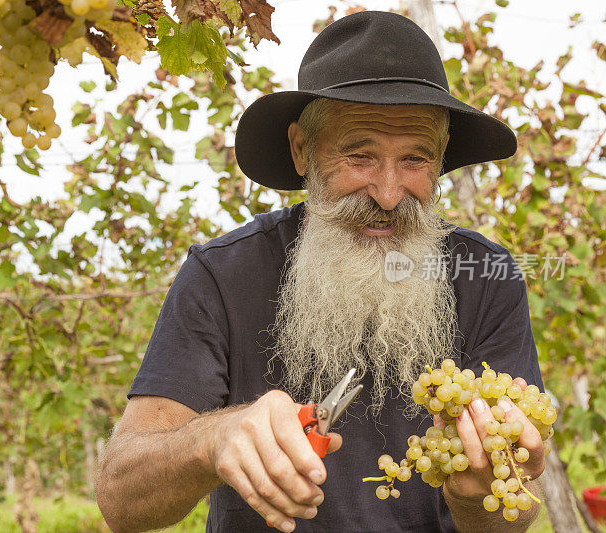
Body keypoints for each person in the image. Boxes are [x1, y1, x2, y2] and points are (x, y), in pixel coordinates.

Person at [95, 10, 545, 533]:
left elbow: (513, 515)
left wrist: (474, 501)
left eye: (415, 160)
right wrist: (212, 440)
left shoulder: (486, 275)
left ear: (442, 158)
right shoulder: (222, 274)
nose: (389, 193)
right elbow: (121, 502)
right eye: (360, 156)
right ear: (301, 150)